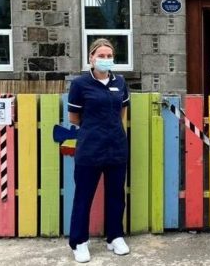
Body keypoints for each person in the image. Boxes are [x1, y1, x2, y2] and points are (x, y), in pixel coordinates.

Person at [67, 38, 130, 263]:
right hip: (90, 150)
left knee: (116, 196)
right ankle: (79, 242)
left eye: (109, 56)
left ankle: (115, 237)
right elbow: (74, 118)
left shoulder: (120, 82)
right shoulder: (80, 84)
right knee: (84, 197)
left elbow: (121, 113)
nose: (105, 59)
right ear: (91, 58)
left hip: (116, 148)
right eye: (100, 56)